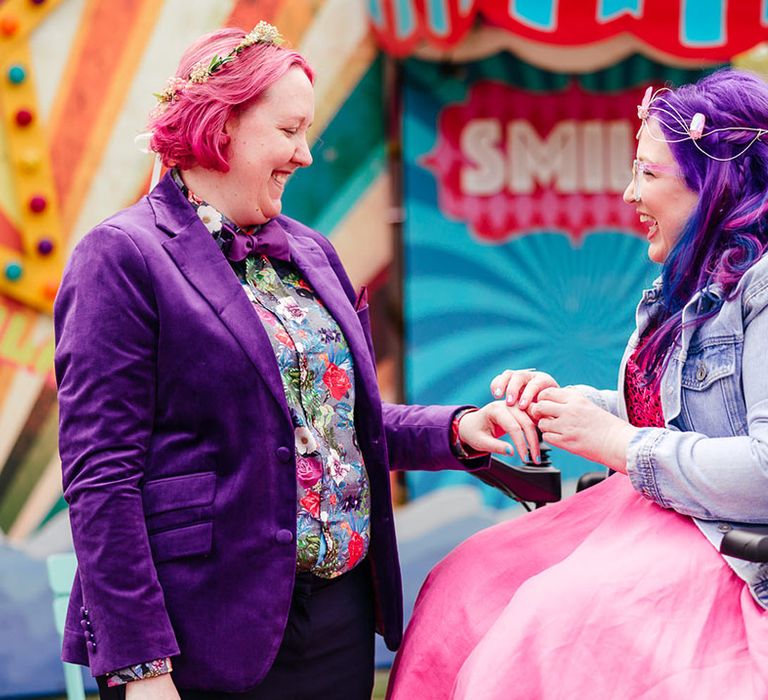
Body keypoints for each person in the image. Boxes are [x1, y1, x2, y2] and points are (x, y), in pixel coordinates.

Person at [53, 22, 540, 700]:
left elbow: (337, 423)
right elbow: (101, 478)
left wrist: (456, 429)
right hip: (200, 633)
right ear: (219, 127)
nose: (307, 155)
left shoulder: (312, 251)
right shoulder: (120, 257)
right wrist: (144, 667)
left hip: (338, 622)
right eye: (289, 132)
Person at [386, 68, 768, 699]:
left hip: (722, 545)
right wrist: (568, 406)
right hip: (650, 515)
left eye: (648, 173)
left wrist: (615, 444)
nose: (627, 193)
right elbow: (684, 415)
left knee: (546, 623)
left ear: (718, 186)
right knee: (466, 581)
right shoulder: (683, 284)